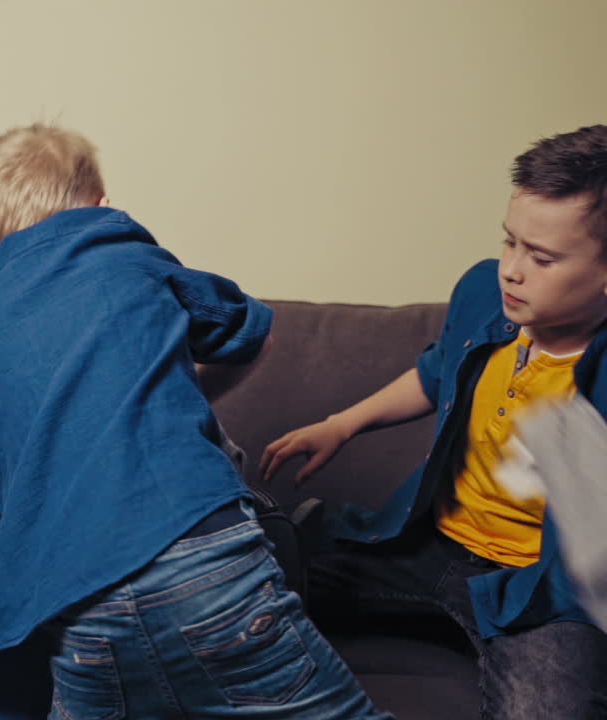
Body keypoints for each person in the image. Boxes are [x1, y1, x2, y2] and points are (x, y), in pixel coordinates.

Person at [0, 123, 391, 719]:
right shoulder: (130, 257)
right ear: (103, 207)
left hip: (77, 607)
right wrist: (179, 384)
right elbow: (247, 328)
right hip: (207, 567)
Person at [260, 124, 607, 719]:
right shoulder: (483, 295)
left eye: (542, 257)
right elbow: (435, 372)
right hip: (429, 546)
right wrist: (341, 425)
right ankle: (311, 538)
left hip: (539, 592)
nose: (512, 270)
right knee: (244, 589)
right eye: (510, 242)